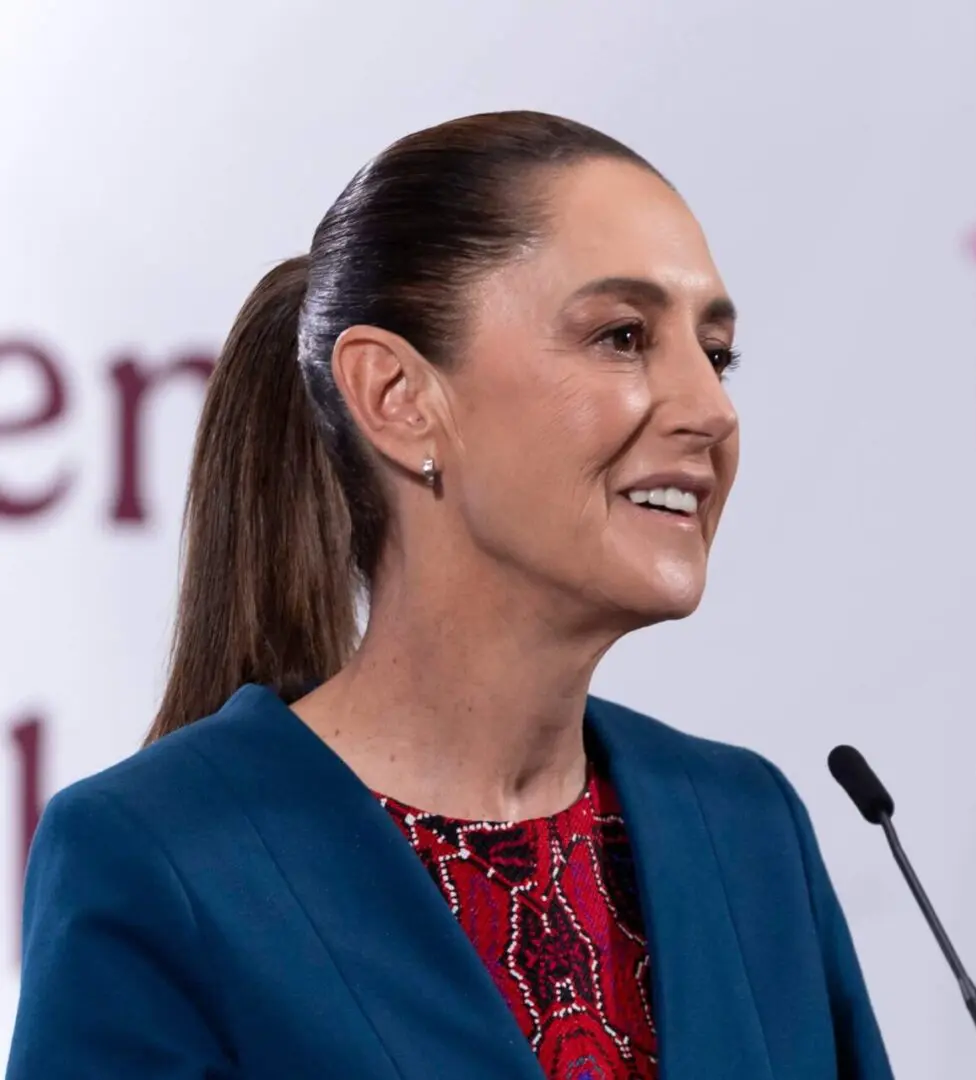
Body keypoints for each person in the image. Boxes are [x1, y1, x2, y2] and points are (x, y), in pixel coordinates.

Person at [6, 111, 894, 1080]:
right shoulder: (156, 858)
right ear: (396, 396)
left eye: (716, 354)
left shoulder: (750, 832)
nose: (712, 411)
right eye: (624, 336)